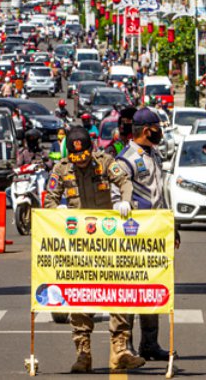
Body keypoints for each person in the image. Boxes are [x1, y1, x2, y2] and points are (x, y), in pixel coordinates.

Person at [44, 127, 144, 373]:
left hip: (107, 240)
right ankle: (83, 353)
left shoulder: (104, 162)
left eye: (85, 155)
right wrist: (56, 211)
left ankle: (120, 350)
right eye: (76, 158)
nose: (81, 162)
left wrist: (125, 201)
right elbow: (49, 198)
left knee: (116, 291)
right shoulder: (61, 169)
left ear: (91, 149)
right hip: (77, 244)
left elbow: (124, 181)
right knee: (79, 295)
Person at [116, 108, 178, 362]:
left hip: (156, 233)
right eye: (156, 128)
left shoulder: (155, 155)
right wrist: (122, 205)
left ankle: (150, 344)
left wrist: (173, 228)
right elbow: (115, 193)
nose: (160, 132)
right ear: (145, 131)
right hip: (133, 236)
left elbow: (160, 195)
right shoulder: (125, 159)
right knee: (132, 290)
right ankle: (126, 345)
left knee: (153, 288)